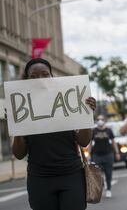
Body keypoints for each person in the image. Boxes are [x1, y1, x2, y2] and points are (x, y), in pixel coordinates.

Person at [12, 58, 96, 210]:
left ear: (52, 77)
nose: (40, 79)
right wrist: (17, 125)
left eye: (45, 74)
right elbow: (18, 154)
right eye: (33, 76)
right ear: (26, 80)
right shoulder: (23, 108)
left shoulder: (68, 101)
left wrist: (86, 116)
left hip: (71, 175)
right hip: (40, 179)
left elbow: (84, 142)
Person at [88, 115, 120, 198]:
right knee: (97, 174)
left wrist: (117, 153)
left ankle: (108, 189)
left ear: (104, 120)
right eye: (98, 119)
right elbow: (90, 144)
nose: (100, 121)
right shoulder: (93, 131)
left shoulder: (109, 130)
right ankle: (101, 188)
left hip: (108, 155)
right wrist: (88, 154)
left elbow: (113, 142)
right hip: (96, 155)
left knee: (108, 173)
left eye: (102, 119)